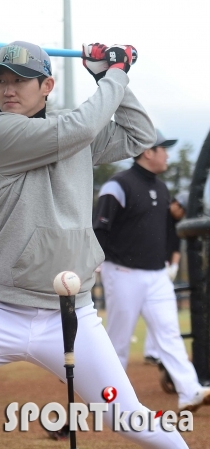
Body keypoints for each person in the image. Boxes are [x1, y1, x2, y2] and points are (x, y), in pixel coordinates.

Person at [0, 41, 189, 448]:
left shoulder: (73, 133)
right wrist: (116, 72)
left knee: (128, 417)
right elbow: (79, 127)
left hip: (70, 315)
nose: (8, 90)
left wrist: (108, 75)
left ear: (47, 85)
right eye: (1, 82)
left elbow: (138, 134)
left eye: (20, 81)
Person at [94, 143, 210, 412]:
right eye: (163, 149)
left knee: (169, 335)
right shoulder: (118, 185)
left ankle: (189, 391)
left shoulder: (161, 188)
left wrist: (169, 263)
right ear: (148, 152)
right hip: (123, 273)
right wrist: (97, 261)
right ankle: (108, 400)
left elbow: (167, 230)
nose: (167, 154)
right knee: (118, 341)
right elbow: (99, 228)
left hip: (157, 275)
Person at [143, 190, 188, 365]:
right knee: (124, 320)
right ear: (176, 203)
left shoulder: (177, 223)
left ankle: (152, 352)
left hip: (163, 269)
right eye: (182, 210)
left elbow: (176, 249)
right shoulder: (158, 214)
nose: (183, 214)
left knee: (159, 312)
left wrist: (175, 266)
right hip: (146, 266)